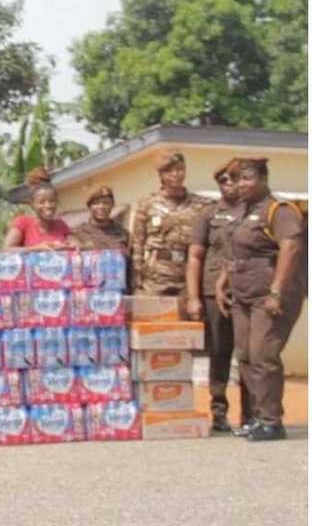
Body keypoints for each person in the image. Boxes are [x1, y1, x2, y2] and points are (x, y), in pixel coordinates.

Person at [216, 158, 306, 441]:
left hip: (269, 296)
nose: (240, 185)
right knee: (244, 355)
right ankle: (258, 417)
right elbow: (236, 253)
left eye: (246, 178)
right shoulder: (244, 212)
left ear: (263, 179)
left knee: (263, 355)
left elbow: (291, 248)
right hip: (243, 295)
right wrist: (223, 283)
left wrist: (277, 291)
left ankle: (271, 421)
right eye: (235, 180)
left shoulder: (278, 210)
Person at [185, 160, 246, 433]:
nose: (229, 185)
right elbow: (195, 256)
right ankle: (219, 412)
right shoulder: (208, 214)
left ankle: (251, 414)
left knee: (250, 353)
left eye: (234, 179)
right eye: (224, 180)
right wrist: (194, 296)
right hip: (213, 292)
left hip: (247, 291)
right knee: (220, 352)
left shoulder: (256, 211)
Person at [129, 150, 209, 295]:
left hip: (190, 274)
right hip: (156, 275)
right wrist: (137, 277)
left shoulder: (201, 205)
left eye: (180, 169)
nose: (176, 174)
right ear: (161, 175)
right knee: (156, 316)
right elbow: (137, 244)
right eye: (169, 171)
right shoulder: (147, 203)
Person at [4, 168, 72, 250]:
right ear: (32, 204)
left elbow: (74, 243)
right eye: (41, 202)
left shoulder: (61, 224)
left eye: (52, 201)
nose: (48, 206)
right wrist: (36, 248)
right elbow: (7, 249)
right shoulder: (23, 222)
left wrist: (69, 246)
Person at [71, 185, 130, 252]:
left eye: (106, 203)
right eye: (96, 203)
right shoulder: (78, 233)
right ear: (89, 206)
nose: (101, 207)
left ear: (112, 205)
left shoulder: (123, 234)